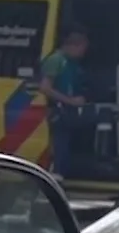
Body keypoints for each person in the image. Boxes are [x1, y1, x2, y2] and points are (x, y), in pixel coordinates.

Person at [39, 26, 91, 180]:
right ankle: (54, 178)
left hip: (67, 111)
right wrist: (71, 101)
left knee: (67, 146)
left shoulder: (71, 62)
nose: (83, 53)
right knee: (59, 147)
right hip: (57, 111)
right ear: (73, 46)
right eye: (82, 49)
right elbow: (45, 87)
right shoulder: (56, 60)